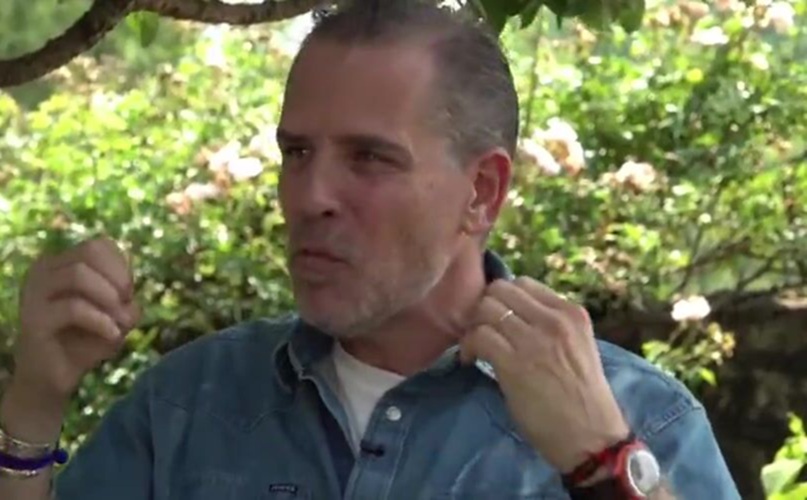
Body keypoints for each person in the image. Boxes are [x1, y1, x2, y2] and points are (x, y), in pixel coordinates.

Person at [0, 1, 740, 499]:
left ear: (481, 191)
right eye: (296, 152)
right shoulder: (189, 405)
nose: (309, 195)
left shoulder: (642, 421)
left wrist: (603, 467)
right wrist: (34, 399)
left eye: (369, 158)